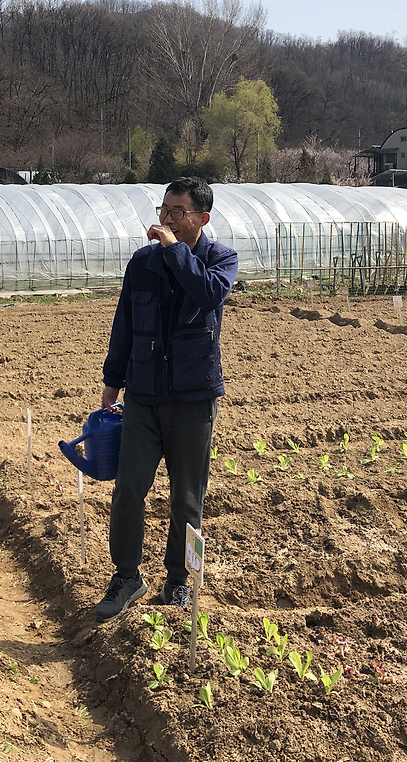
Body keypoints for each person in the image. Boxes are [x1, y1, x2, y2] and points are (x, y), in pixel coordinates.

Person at [95, 176, 239, 622]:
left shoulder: (221, 259)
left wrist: (175, 250)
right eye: (164, 210)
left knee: (187, 498)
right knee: (128, 487)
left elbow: (209, 293)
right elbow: (124, 323)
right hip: (144, 395)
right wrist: (112, 382)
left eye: (178, 212)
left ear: (202, 218)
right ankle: (126, 577)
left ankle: (178, 580)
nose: (168, 219)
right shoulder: (142, 263)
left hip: (193, 398)